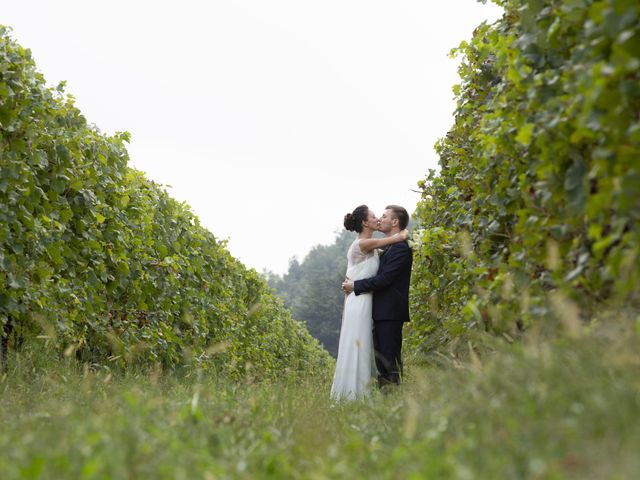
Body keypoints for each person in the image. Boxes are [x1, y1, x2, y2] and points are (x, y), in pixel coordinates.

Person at [330, 205, 408, 401]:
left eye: (382, 216)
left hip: (380, 308)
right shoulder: (368, 244)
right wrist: (401, 235)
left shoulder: (391, 248)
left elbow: (383, 279)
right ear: (365, 222)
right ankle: (354, 395)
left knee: (383, 357)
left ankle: (383, 398)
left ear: (395, 221)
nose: (379, 219)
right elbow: (392, 239)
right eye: (375, 216)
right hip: (364, 304)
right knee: (369, 351)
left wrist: (354, 285)